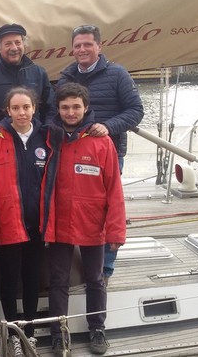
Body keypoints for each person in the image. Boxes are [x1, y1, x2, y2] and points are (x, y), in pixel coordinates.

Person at [44, 82, 126, 356]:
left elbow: (114, 189)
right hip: (59, 222)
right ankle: (58, 332)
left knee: (95, 278)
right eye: (65, 107)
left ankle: (97, 328)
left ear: (86, 108)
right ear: (57, 108)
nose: (70, 112)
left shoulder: (102, 143)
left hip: (92, 222)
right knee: (58, 280)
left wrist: (116, 231)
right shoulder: (49, 138)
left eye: (76, 107)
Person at [57, 24, 143, 282]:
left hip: (109, 151)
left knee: (107, 208)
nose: (82, 49)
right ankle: (83, 261)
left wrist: (107, 127)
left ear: (99, 46)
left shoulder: (118, 74)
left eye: (87, 44)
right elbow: (57, 111)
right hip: (75, 153)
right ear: (72, 49)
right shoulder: (67, 76)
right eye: (78, 45)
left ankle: (104, 269)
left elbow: (136, 111)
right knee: (80, 208)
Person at [0, 87, 57, 357]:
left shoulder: (46, 138)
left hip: (36, 223)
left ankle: (29, 334)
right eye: (16, 108)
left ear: (34, 108)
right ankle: (13, 334)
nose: (21, 112)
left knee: (31, 279)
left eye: (26, 107)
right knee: (9, 279)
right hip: (8, 222)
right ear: (8, 111)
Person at [0, 24, 54, 132]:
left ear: (24, 45)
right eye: (8, 44)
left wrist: (46, 130)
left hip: (35, 139)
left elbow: (50, 107)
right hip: (1, 140)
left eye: (18, 43)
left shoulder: (39, 73)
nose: (14, 48)